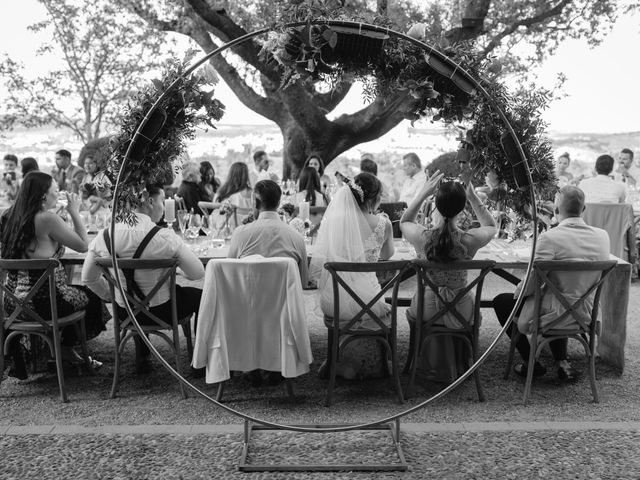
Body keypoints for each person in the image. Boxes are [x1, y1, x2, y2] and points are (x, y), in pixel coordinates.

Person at [82, 183, 205, 374]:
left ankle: (142, 354)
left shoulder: (104, 236)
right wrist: (177, 272)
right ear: (149, 201)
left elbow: (88, 278)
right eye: (162, 201)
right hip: (163, 312)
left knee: (134, 295)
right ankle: (201, 362)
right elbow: (197, 273)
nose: (164, 208)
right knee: (203, 296)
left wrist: (112, 295)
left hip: (125, 312)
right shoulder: (165, 237)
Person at [493, 185, 610, 380]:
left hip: (555, 314)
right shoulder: (602, 236)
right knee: (559, 294)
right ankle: (562, 362)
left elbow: (530, 285)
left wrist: (519, 291)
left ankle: (532, 362)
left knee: (503, 302)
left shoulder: (550, 238)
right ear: (584, 209)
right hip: (586, 313)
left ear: (555, 211)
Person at [1, 172, 108, 379]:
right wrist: (75, 212)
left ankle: (49, 350)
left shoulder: (8, 216)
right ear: (43, 195)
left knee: (71, 292)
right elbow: (83, 245)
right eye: (54, 191)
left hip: (12, 303)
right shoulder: (48, 219)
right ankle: (66, 348)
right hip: (44, 302)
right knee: (93, 297)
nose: (57, 193)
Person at [400, 172, 497, 381]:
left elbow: (405, 220)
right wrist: (473, 196)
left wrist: (422, 193)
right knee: (465, 301)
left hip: (425, 309)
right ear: (462, 209)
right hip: (461, 308)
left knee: (419, 301)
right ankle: (463, 363)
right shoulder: (469, 239)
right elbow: (491, 226)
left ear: (435, 204)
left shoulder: (423, 237)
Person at [311, 172, 394, 379]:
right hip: (370, 301)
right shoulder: (384, 224)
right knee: (375, 305)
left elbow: (321, 255)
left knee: (354, 304)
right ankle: (366, 362)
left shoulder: (334, 221)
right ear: (374, 198)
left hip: (335, 300)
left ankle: (340, 360)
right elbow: (387, 255)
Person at [228, 179, 308, 287]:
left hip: (247, 302)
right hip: (285, 303)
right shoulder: (297, 238)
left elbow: (230, 278)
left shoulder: (239, 234)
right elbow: (303, 284)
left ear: (255, 202)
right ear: (279, 203)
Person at [214, 162, 253, 228]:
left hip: (225, 233)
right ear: (246, 176)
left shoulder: (220, 195)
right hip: (250, 232)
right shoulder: (254, 195)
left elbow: (215, 220)